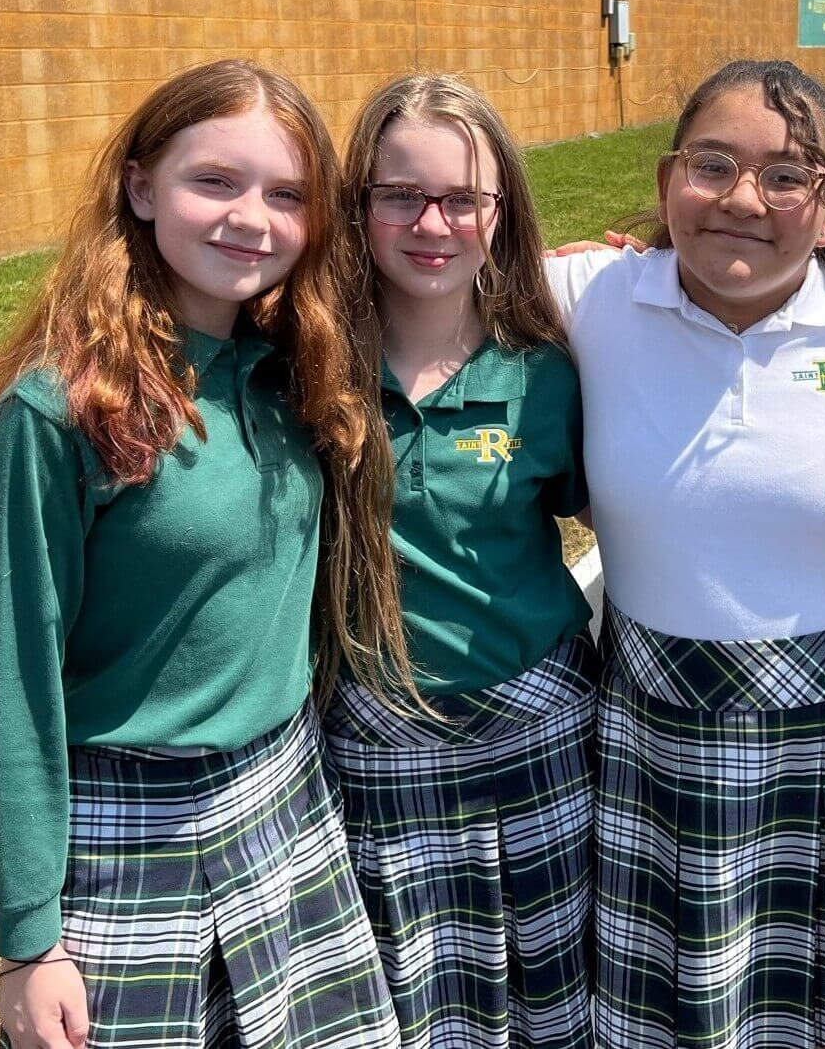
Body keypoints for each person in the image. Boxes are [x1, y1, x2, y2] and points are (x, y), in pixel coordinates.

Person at [0, 59, 403, 1049]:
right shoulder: (60, 409)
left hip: (287, 800)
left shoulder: (301, 374)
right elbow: (8, 682)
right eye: (215, 181)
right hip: (131, 832)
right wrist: (28, 943)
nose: (252, 217)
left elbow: (439, 281)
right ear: (142, 185)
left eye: (287, 194)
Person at [546, 59, 825, 1049]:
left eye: (785, 176)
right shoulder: (591, 294)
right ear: (666, 184)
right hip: (658, 730)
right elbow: (410, 299)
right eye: (713, 166)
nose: (744, 199)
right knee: (675, 1014)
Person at [323, 73, 597, 1049]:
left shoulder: (547, 373)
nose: (432, 221)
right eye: (402, 194)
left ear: (500, 209)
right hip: (381, 734)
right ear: (359, 204)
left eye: (462, 198)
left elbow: (630, 512)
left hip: (539, 727)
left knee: (553, 989)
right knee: (411, 997)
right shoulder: (309, 371)